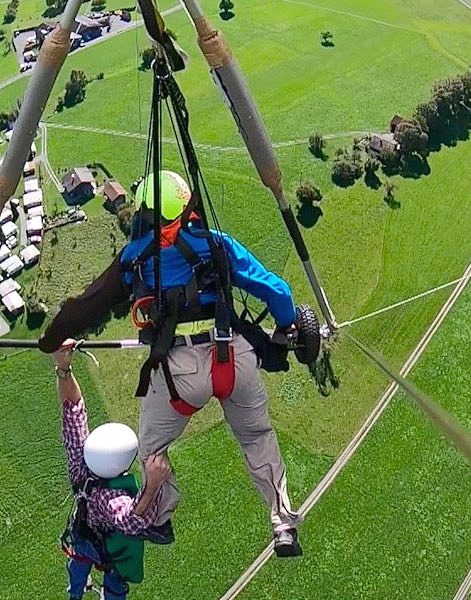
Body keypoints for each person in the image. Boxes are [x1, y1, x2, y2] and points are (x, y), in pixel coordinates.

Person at [39, 171, 303, 557]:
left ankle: (158, 517)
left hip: (178, 372)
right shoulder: (216, 245)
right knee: (257, 438)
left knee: (152, 448)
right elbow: (274, 289)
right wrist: (288, 325)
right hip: (232, 358)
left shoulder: (136, 256)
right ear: (184, 205)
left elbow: (89, 303)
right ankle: (282, 523)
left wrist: (51, 340)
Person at [55, 340, 171, 600]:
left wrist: (63, 368)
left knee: (78, 565)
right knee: (116, 585)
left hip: (82, 535)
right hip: (109, 551)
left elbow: (73, 410)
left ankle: (75, 593)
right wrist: (152, 484)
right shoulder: (111, 497)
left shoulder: (80, 466)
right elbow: (130, 521)